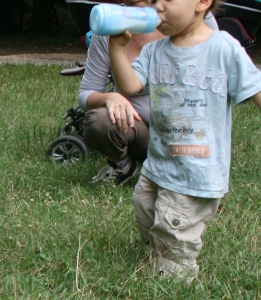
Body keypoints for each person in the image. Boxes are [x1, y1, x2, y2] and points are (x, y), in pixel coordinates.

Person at [108, 0, 261, 282]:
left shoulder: (223, 49)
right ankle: (162, 247)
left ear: (202, 2)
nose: (158, 7)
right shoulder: (155, 50)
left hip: (196, 171)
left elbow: (255, 88)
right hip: (159, 164)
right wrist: (117, 48)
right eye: (154, 1)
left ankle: (176, 278)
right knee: (145, 208)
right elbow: (129, 85)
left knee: (173, 225)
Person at [79, 1, 218, 186]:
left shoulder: (194, 18)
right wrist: (110, 97)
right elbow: (88, 92)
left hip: (184, 133)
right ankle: (123, 166)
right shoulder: (109, 27)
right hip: (139, 129)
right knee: (99, 121)